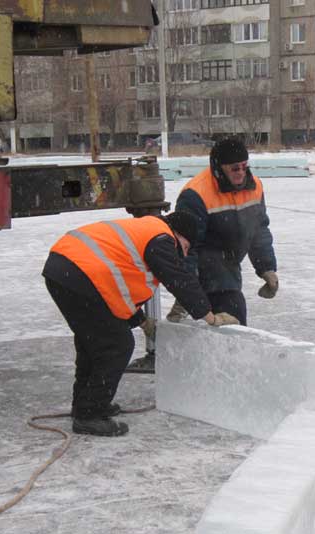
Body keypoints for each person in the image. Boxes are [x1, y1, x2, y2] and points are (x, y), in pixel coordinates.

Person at [43, 211, 239, 437]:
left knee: (93, 342)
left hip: (65, 268)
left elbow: (118, 288)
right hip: (78, 271)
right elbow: (178, 277)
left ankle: (85, 405)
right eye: (186, 248)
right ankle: (90, 415)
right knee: (117, 345)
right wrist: (208, 314)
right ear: (180, 236)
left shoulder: (146, 231)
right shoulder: (161, 237)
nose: (184, 255)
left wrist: (141, 320)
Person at [166, 137, 278, 327]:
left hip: (229, 264)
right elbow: (186, 249)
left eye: (245, 166)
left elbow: (259, 230)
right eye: (235, 168)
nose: (241, 173)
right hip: (204, 266)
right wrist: (188, 291)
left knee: (235, 317)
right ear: (219, 168)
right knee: (230, 313)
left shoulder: (255, 187)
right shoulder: (196, 195)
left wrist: (266, 268)